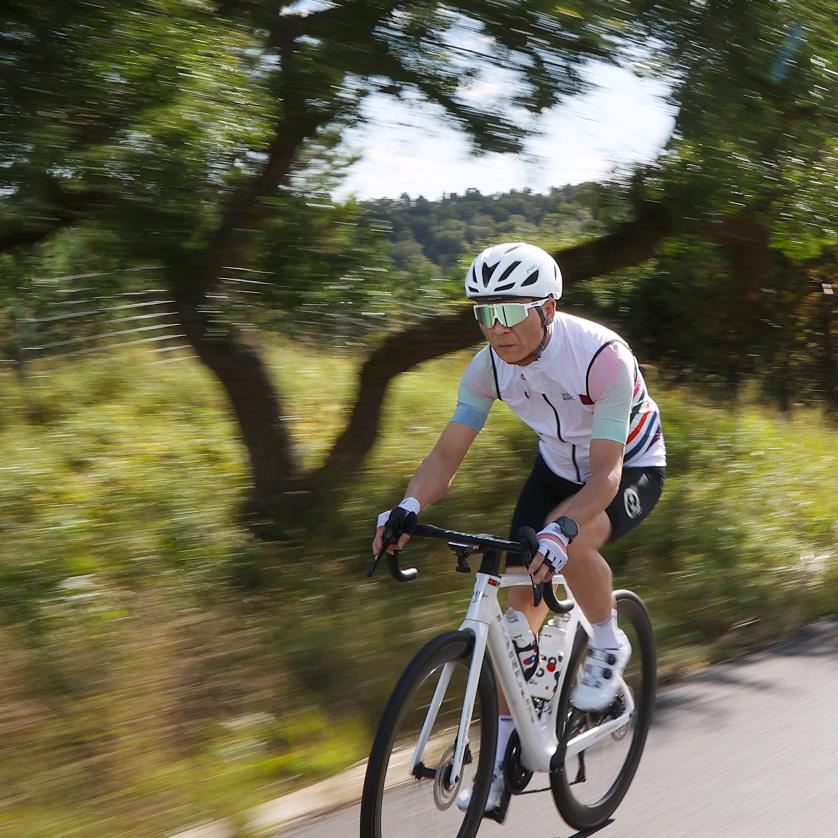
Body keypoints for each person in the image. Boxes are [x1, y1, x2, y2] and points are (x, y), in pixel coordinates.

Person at [372, 242, 665, 819]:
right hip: (555, 469)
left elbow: (605, 476)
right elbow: (447, 454)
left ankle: (607, 641)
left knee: (570, 539)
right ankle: (503, 757)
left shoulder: (602, 358)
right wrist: (406, 505)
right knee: (512, 620)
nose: (496, 329)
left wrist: (560, 533)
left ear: (548, 309)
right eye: (483, 314)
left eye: (509, 313)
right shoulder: (487, 368)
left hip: (629, 466)